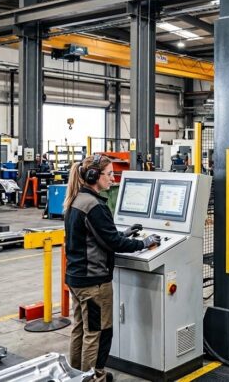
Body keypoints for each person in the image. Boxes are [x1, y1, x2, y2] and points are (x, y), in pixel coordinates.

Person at [63, 154, 160, 381]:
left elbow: (99, 236)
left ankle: (77, 375)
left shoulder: (76, 200)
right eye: (109, 174)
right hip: (94, 283)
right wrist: (143, 243)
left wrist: (122, 233)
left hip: (77, 279)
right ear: (94, 176)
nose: (113, 179)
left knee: (81, 329)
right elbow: (113, 243)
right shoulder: (94, 205)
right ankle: (93, 377)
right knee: (97, 333)